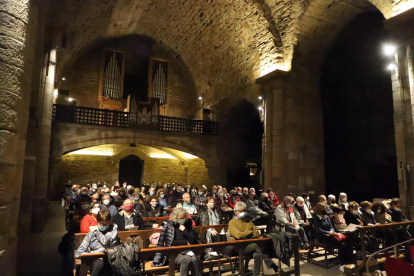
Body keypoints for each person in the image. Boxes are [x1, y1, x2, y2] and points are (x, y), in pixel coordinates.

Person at [226, 201, 278, 275]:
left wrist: (245, 233)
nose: (243, 212)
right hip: (239, 246)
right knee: (257, 246)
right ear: (236, 211)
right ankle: (271, 264)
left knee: (257, 254)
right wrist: (249, 232)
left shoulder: (248, 220)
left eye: (244, 211)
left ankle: (255, 274)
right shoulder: (232, 222)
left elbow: (257, 233)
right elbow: (238, 236)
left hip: (251, 244)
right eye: (241, 211)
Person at [156, 207, 202, 276]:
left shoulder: (188, 223)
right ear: (176, 218)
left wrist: (184, 230)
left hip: (189, 250)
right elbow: (171, 242)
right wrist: (185, 242)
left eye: (183, 217)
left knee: (196, 259)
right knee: (186, 259)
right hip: (175, 252)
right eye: (180, 218)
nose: (182, 220)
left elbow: (193, 240)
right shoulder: (170, 226)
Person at [75, 209, 118, 276]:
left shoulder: (113, 230)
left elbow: (105, 241)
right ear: (97, 222)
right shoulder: (91, 234)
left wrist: (96, 232)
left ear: (110, 221)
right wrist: (92, 254)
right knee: (99, 264)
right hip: (96, 260)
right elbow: (79, 252)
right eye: (101, 223)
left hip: (111, 258)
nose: (103, 226)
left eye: (105, 224)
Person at [313, 203, 353, 272]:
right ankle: (342, 263)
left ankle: (349, 261)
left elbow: (331, 227)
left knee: (348, 242)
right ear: (319, 209)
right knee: (341, 245)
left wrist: (331, 231)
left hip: (331, 235)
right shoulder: (316, 218)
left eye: (325, 208)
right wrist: (328, 232)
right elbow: (318, 230)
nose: (325, 209)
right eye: (323, 208)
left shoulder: (326, 217)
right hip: (323, 237)